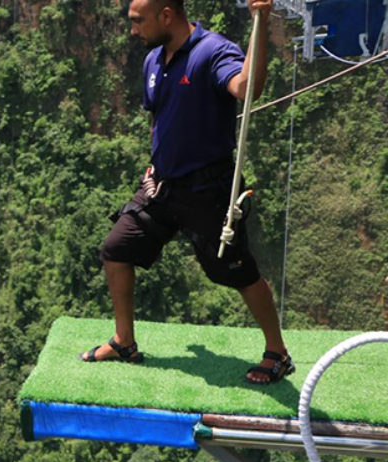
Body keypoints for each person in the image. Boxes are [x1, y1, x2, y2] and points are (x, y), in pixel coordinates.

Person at [82, 0, 293, 384]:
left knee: (236, 271)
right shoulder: (154, 60)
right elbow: (158, 117)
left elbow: (247, 88)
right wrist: (154, 162)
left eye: (138, 22)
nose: (133, 32)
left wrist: (259, 25)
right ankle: (124, 341)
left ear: (166, 15)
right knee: (116, 249)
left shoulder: (213, 51)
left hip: (209, 190)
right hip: (162, 186)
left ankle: (277, 352)